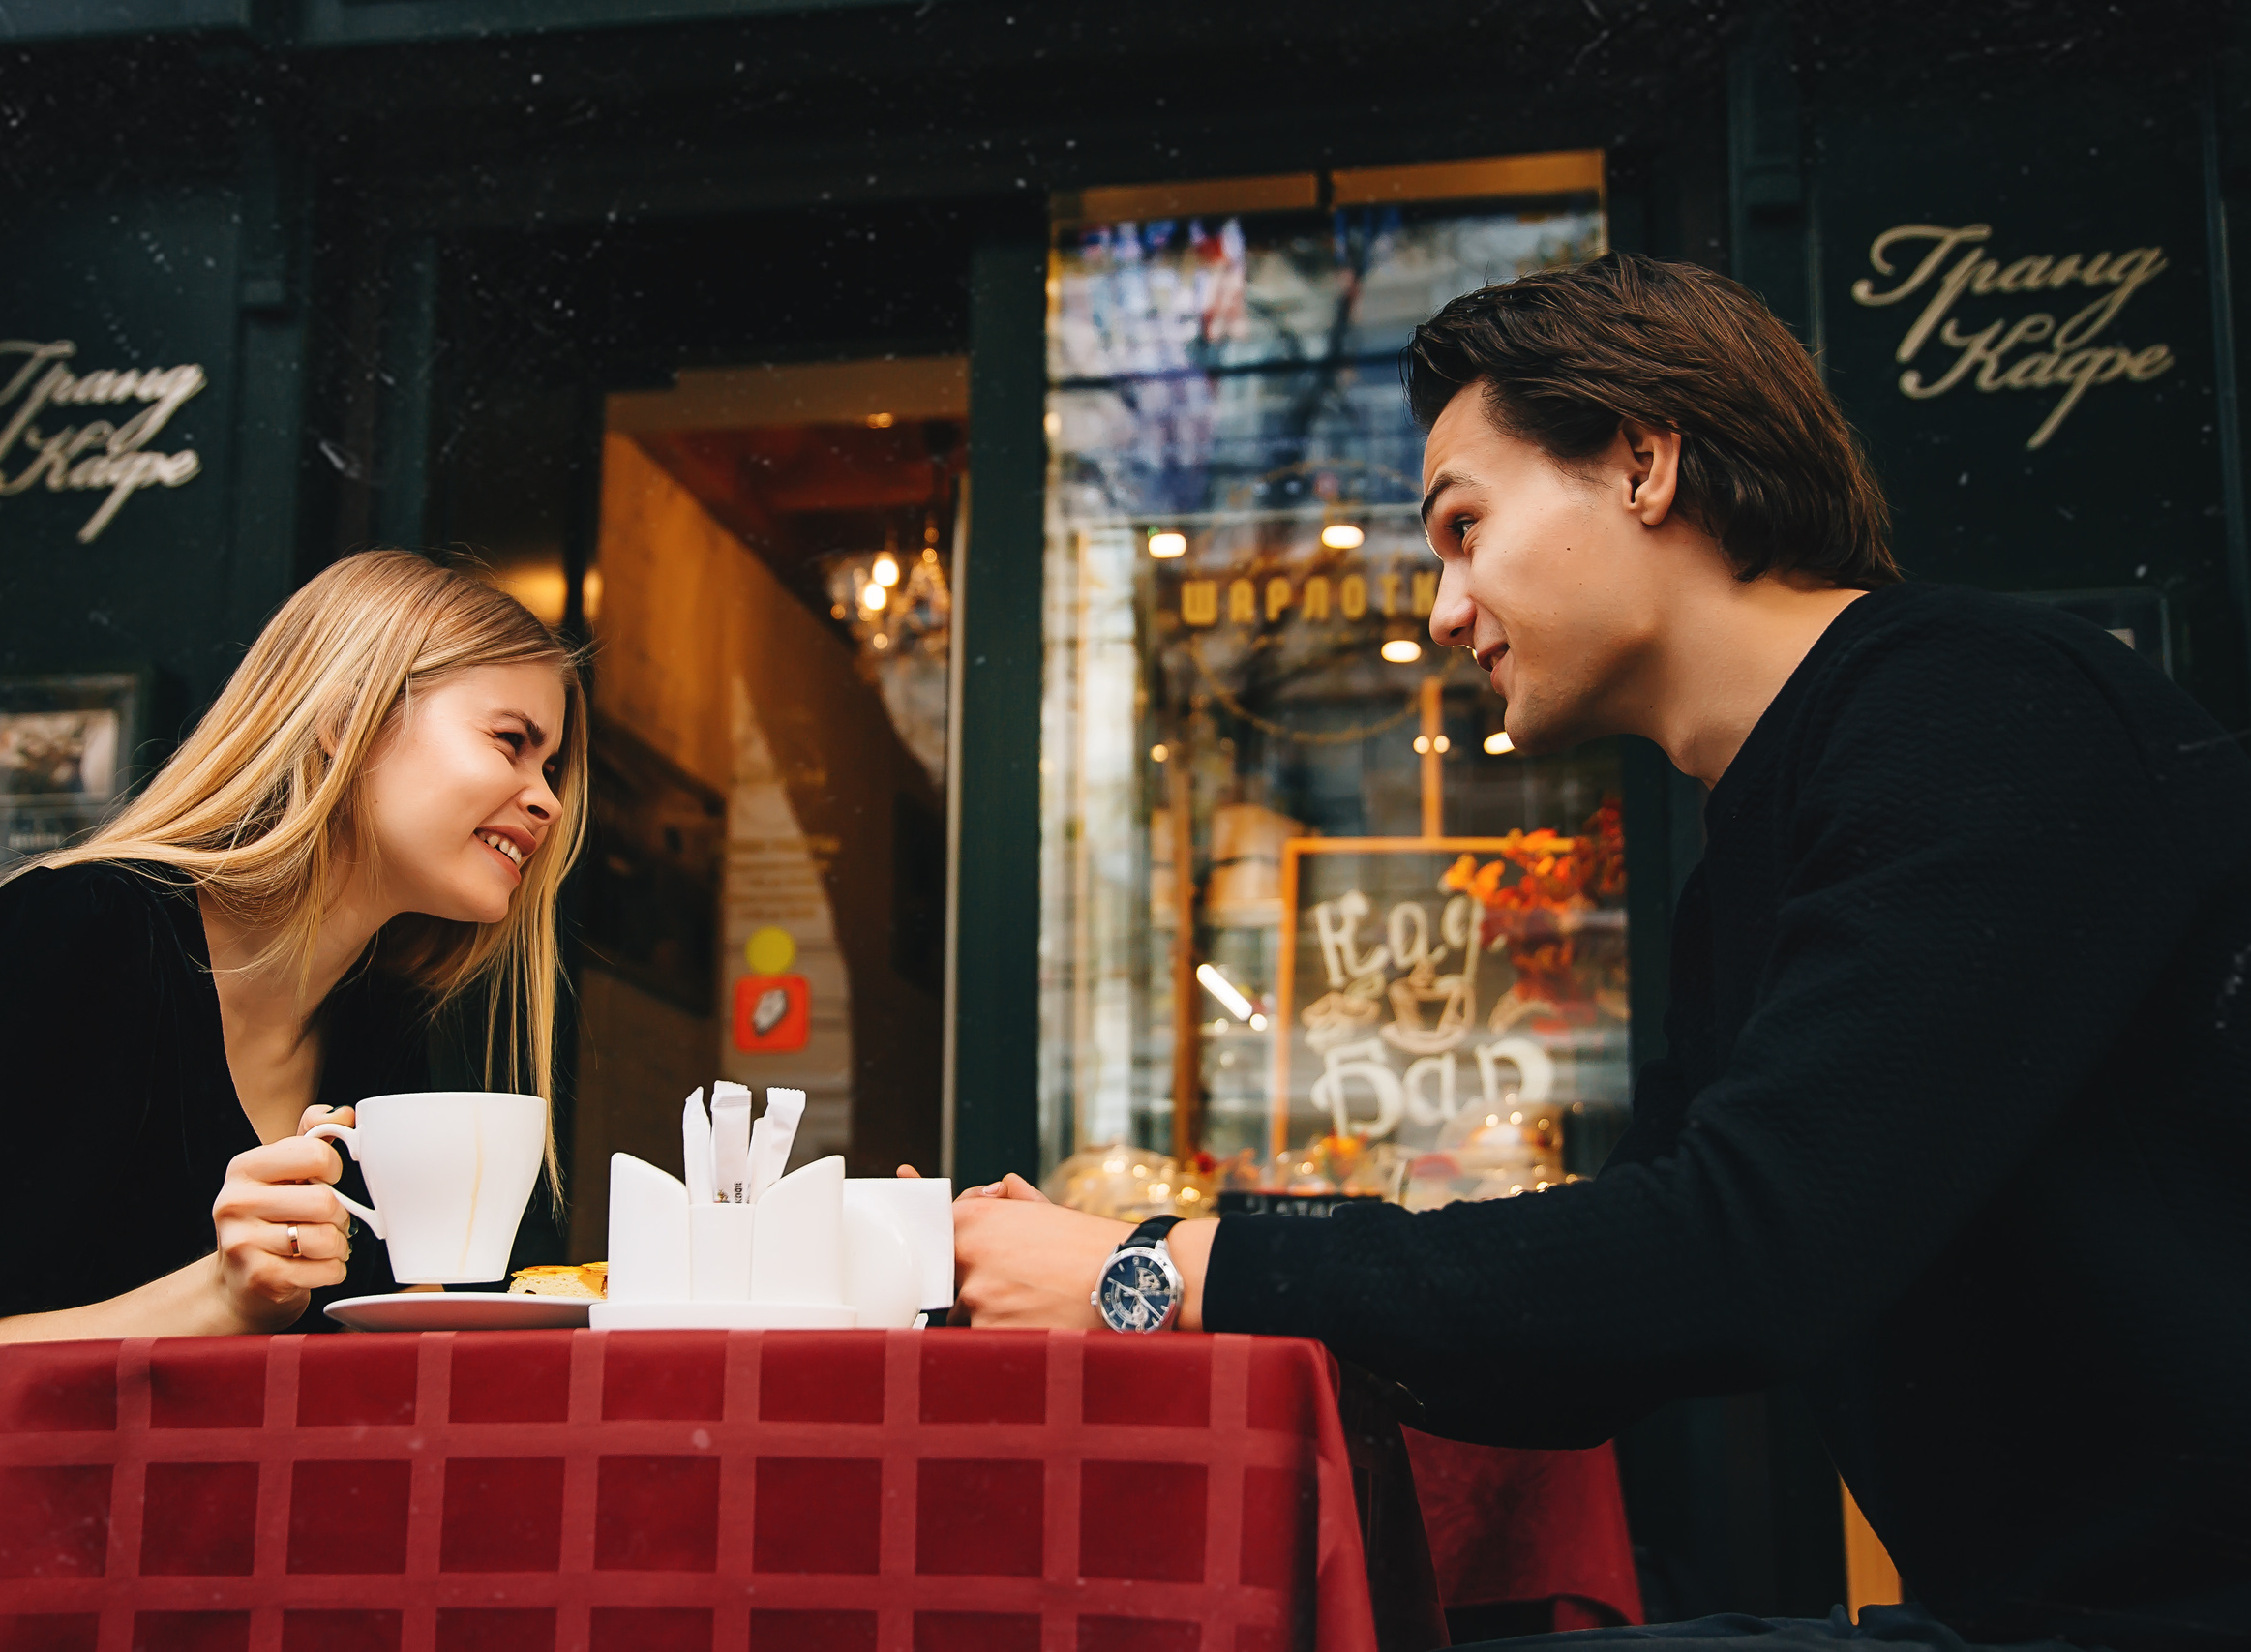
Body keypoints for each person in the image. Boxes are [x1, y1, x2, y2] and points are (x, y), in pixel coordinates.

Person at [950, 255, 2251, 1650]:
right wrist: (1142, 1252)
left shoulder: (1981, 714)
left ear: (1642, 461)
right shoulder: (1767, 830)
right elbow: (1588, 1339)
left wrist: (1147, 1270)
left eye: (1463, 526)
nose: (1444, 610)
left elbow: (1737, 1252)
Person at [0, 549, 586, 1631]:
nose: (544, 798)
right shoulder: (70, 939)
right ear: (344, 717)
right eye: (510, 741)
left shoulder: (378, 1034)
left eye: (555, 765)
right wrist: (217, 1296)